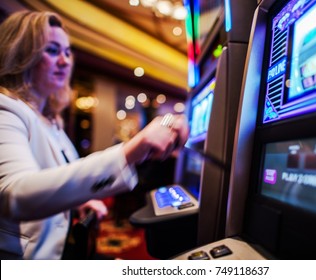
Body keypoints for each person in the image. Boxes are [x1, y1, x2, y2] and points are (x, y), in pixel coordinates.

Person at [0, 10, 189, 260]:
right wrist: (130, 150)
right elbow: (15, 196)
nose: (66, 61)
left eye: (67, 52)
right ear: (21, 54)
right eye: (53, 50)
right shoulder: (6, 109)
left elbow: (58, 176)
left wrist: (78, 203)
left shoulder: (51, 120)